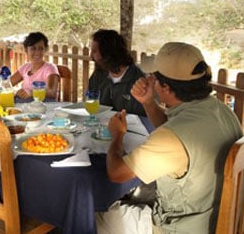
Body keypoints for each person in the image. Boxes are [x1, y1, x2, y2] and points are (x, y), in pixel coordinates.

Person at [100, 42, 243, 233]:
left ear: (165, 87)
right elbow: (176, 131)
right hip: (213, 215)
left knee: (97, 215)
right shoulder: (219, 109)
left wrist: (117, 136)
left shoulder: (171, 139)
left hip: (180, 227)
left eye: (154, 77)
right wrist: (149, 102)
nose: (149, 80)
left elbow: (116, 173)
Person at [88, 29, 146, 116]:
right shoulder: (99, 75)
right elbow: (91, 102)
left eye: (95, 51)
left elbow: (143, 117)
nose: (91, 56)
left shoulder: (138, 79)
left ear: (108, 53)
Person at [9, 32, 60, 100]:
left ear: (45, 50)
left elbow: (52, 92)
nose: (37, 52)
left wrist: (32, 93)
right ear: (26, 50)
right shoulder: (26, 67)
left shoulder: (50, 68)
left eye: (40, 48)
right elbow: (7, 83)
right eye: (33, 48)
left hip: (43, 107)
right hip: (26, 104)